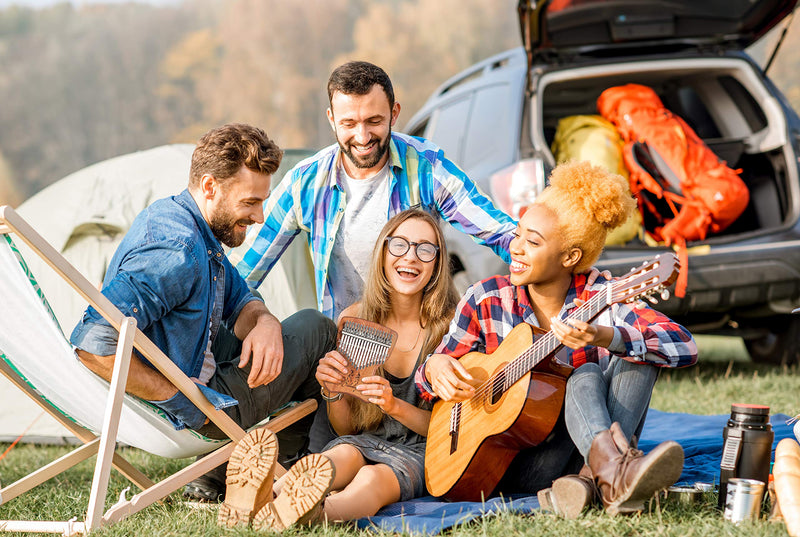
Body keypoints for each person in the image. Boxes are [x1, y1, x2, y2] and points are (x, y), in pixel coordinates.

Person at [70, 123, 337, 503]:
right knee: (317, 330)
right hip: (193, 406)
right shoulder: (176, 248)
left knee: (286, 331)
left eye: (262, 202)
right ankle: (288, 473)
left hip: (191, 365)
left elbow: (238, 296)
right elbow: (93, 343)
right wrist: (185, 396)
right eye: (250, 203)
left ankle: (224, 474)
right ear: (211, 187)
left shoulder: (189, 224)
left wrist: (263, 321)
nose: (260, 216)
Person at [416, 160, 698, 518]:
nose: (515, 248)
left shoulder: (602, 295)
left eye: (532, 242)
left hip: (574, 456)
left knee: (625, 356)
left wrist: (605, 335)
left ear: (570, 256)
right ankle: (611, 477)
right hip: (519, 461)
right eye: (518, 233)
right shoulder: (486, 299)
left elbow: (684, 346)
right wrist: (436, 365)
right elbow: (423, 382)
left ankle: (593, 478)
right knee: (586, 373)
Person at [227, 60, 516, 324]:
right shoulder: (305, 182)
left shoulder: (427, 167)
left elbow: (497, 230)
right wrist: (257, 321)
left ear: (394, 113)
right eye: (349, 124)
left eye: (374, 121)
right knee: (308, 328)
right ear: (331, 119)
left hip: (421, 342)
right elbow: (241, 272)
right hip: (345, 347)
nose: (362, 137)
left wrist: (545, 257)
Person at [224, 209, 460, 530]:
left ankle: (307, 514)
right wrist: (333, 391)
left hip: (423, 450)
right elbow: (347, 429)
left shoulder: (451, 327)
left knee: (371, 479)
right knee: (337, 458)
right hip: (365, 440)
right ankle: (265, 494)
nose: (411, 257)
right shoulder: (357, 319)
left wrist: (394, 406)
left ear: (437, 263)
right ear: (383, 253)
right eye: (400, 245)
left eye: (425, 249)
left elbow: (449, 428)